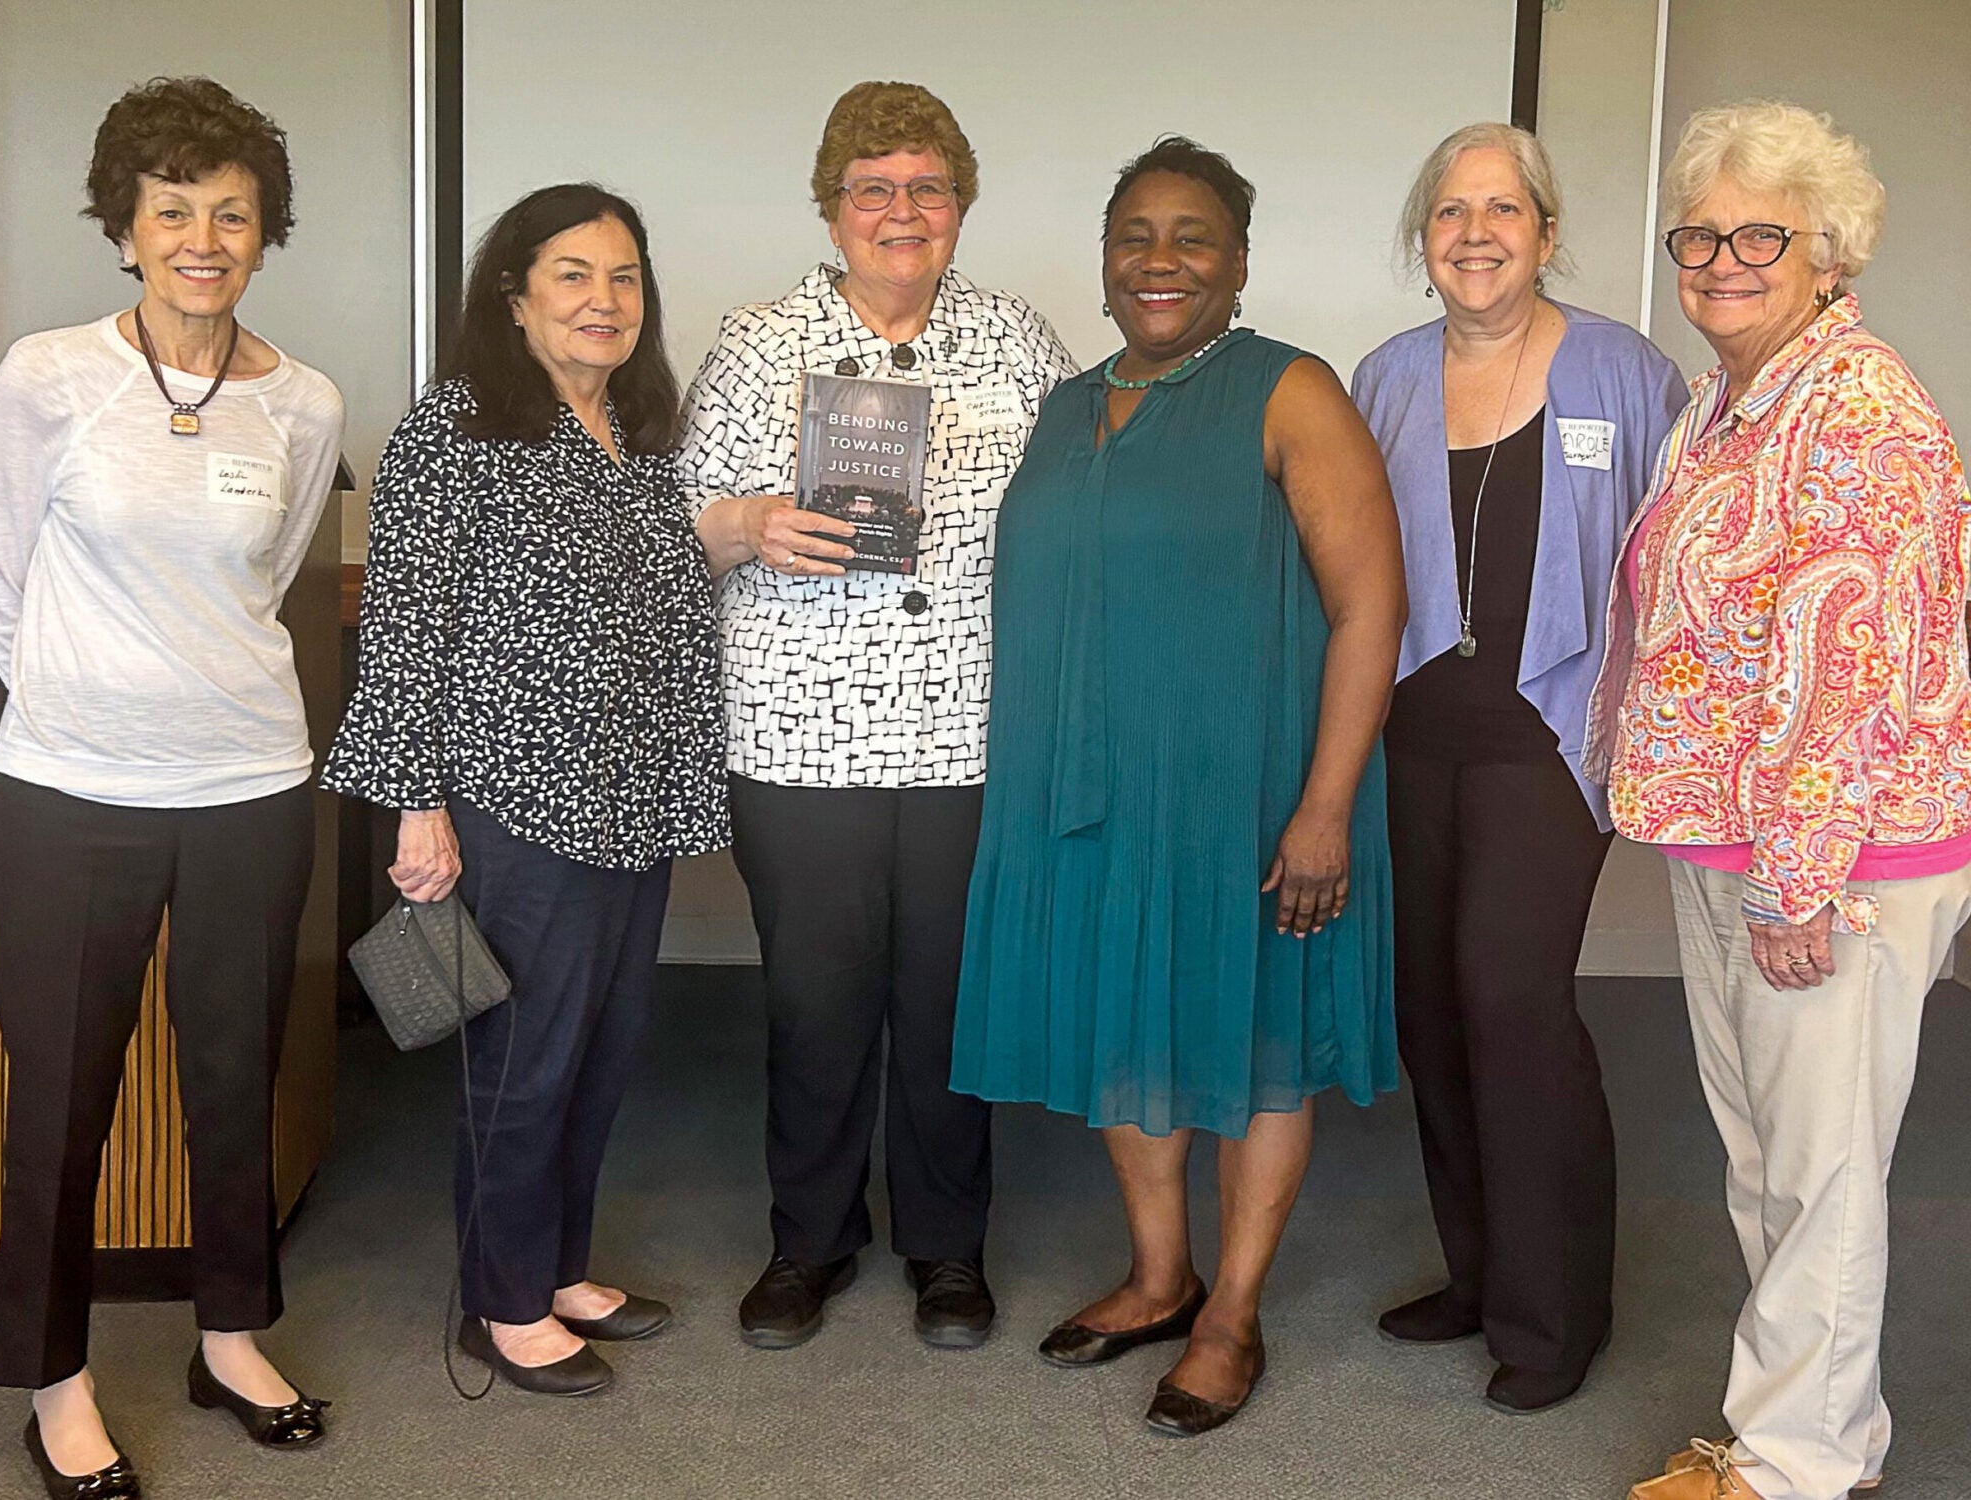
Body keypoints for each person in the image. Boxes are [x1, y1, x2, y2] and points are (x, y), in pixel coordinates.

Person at [951, 137, 1406, 1435]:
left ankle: (1232, 1314)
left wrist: (1324, 808)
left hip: (1245, 795)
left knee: (1255, 1041)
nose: (1159, 261)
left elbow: (1370, 608)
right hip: (1091, 793)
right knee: (1128, 1029)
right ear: (1104, 262)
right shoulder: (1063, 407)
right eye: (1133, 237)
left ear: (1239, 261)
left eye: (1191, 236)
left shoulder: (1288, 390)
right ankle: (1160, 1278)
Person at [1589, 103, 1971, 1500]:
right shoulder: (1731, 399)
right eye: (1699, 236)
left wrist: (1801, 880)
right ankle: (1819, 1435)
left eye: (1761, 235)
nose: (1722, 261)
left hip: (1833, 856)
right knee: (1767, 1155)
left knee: (1818, 1169)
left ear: (1828, 252)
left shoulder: (1856, 407)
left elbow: (1846, 663)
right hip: (1738, 837)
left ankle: (1793, 1465)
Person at [0, 76, 344, 1498]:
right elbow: (2, 576)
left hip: (251, 784)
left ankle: (230, 1338)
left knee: (236, 1077)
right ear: (124, 228)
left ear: (264, 234)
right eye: (173, 210)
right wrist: (86, 707)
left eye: (232, 214)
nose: (203, 240)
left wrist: (188, 697)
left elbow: (266, 579)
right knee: (61, 1096)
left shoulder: (303, 401)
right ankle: (53, 1382)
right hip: (72, 793)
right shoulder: (49, 375)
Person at [678, 80, 1074, 1352]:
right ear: (831, 206)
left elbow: (1084, 503)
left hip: (968, 730)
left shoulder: (1015, 339)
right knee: (816, 1003)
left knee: (951, 1002)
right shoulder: (758, 341)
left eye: (927, 188)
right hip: (798, 733)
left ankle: (947, 1248)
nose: (901, 212)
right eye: (872, 189)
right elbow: (675, 529)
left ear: (959, 205)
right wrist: (748, 524)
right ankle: (808, 1239)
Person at [324, 183, 728, 1396]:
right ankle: (499, 1300)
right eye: (572, 274)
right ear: (512, 296)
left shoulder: (637, 439)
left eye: (623, 277)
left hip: (633, 796)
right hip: (514, 797)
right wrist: (416, 803)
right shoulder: (455, 430)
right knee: (525, 1056)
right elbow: (404, 625)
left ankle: (555, 1265)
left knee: (602, 1049)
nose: (604, 300)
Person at [1350, 123, 1687, 1413]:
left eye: (1502, 210)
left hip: (1547, 740)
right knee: (1429, 1007)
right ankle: (1477, 1275)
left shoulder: (1624, 369)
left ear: (1544, 233)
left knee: (1509, 998)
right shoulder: (1384, 378)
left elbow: (1677, 560)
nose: (1474, 234)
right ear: (1420, 237)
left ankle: (1553, 1317)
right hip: (1409, 736)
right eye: (1449, 211)